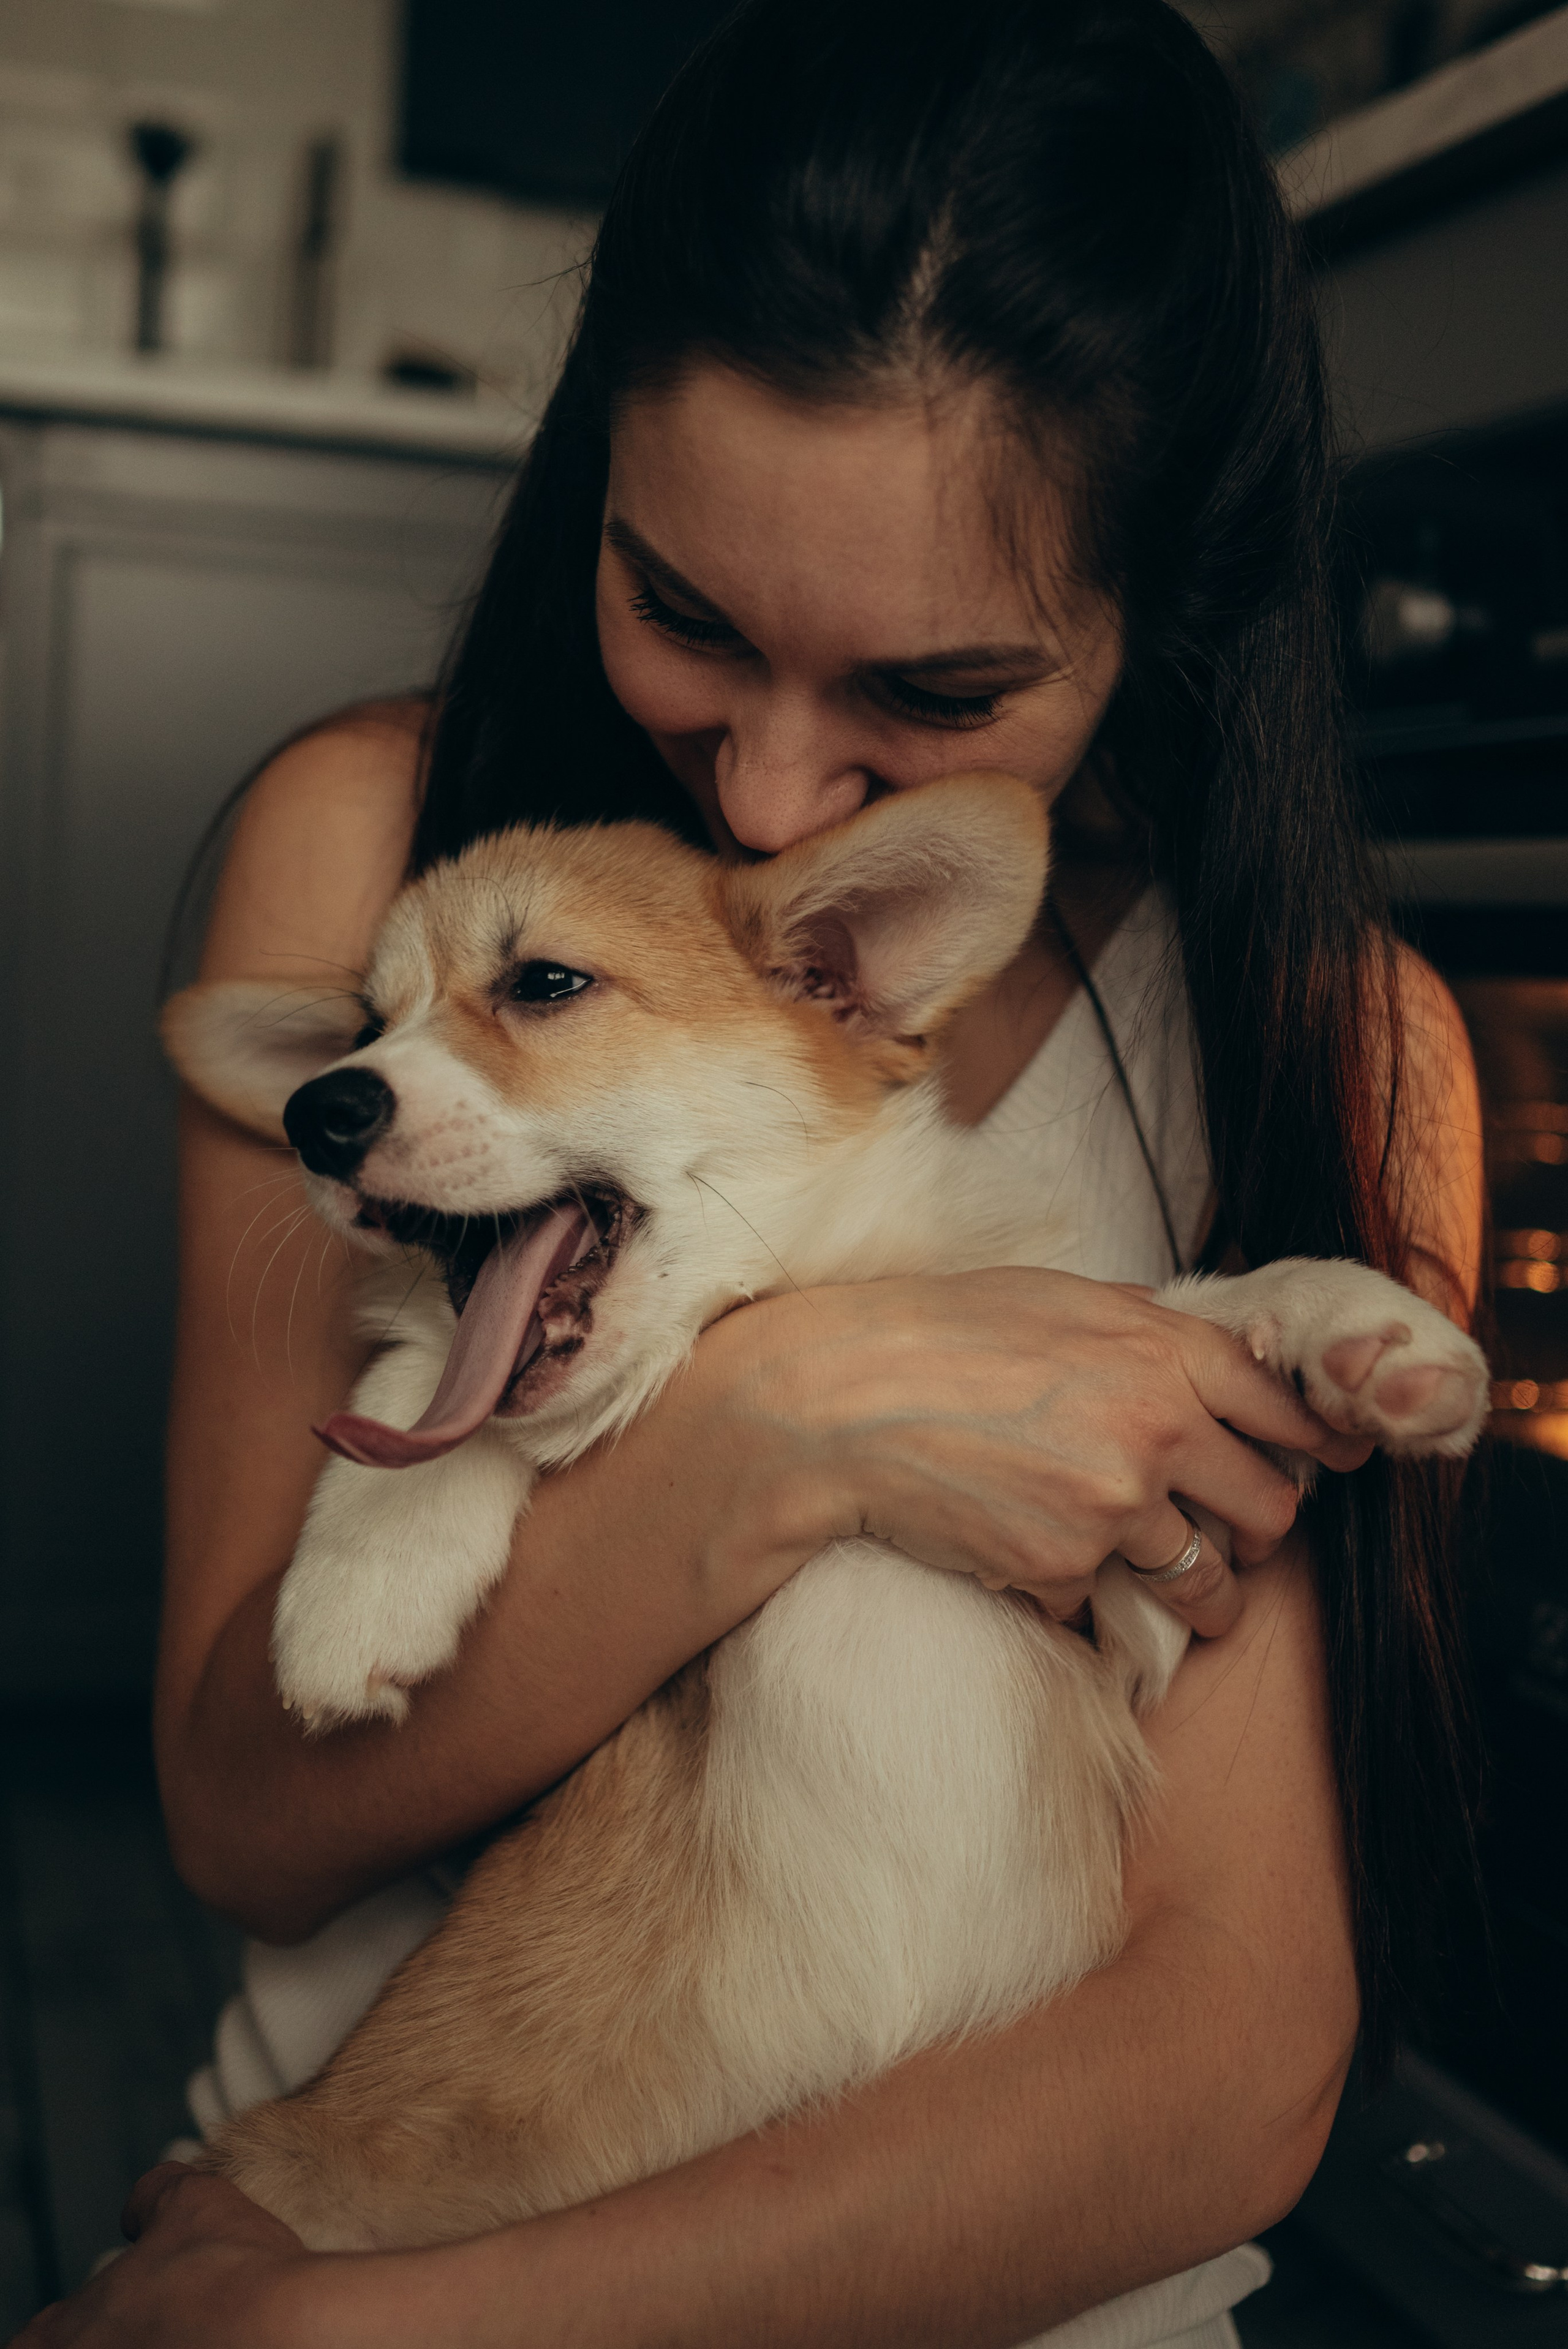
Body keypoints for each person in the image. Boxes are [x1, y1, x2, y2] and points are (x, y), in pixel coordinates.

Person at [18, 0, 1485, 2340]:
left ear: (1166, 611)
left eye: (939, 691)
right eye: (686, 611)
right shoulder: (370, 848)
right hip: (359, 2183)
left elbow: (1224, 2053)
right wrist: (789, 1423)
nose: (778, 800)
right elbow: (248, 1809)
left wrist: (377, 2338)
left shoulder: (1329, 1047)